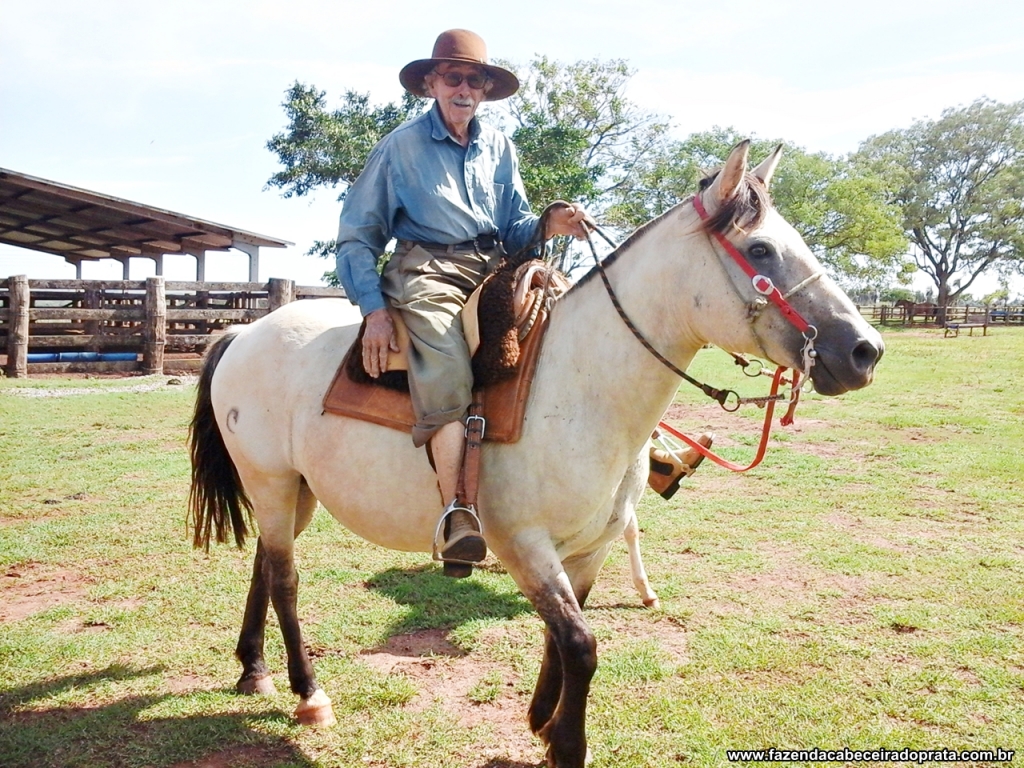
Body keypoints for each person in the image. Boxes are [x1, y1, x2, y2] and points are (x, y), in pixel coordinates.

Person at [335, 29, 591, 572]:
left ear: (484, 89)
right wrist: (374, 310)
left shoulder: (498, 145)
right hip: (424, 269)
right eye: (452, 77)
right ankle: (458, 512)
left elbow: (513, 224)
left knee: (569, 322)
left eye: (474, 79)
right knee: (448, 362)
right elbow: (358, 235)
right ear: (431, 82)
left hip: (492, 264)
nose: (464, 87)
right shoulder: (400, 147)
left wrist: (550, 222)